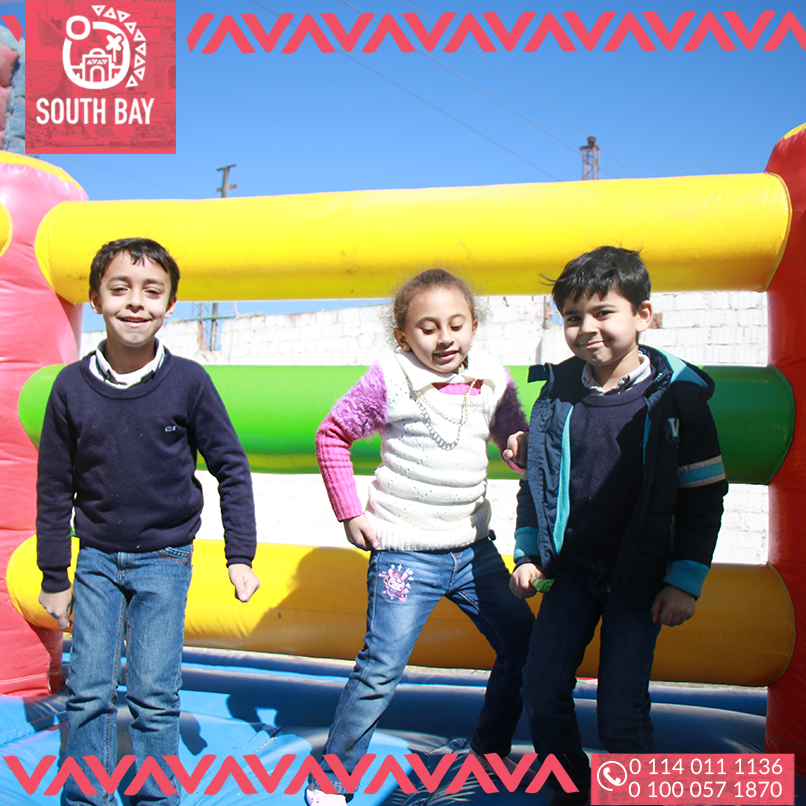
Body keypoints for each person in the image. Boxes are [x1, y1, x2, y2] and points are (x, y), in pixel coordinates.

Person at [36, 237, 261, 806]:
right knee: (88, 690)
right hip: (95, 561)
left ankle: (156, 799)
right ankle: (85, 798)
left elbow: (231, 467)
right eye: (120, 289)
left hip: (165, 559)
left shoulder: (188, 382)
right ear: (95, 300)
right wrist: (54, 575)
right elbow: (54, 485)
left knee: (154, 694)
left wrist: (240, 555)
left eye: (151, 291)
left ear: (169, 305)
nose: (135, 302)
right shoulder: (69, 388)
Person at [307, 268, 535, 805]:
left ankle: (489, 750)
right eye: (428, 328)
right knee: (381, 668)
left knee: (524, 646)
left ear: (473, 326)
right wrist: (349, 511)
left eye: (457, 325)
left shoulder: (491, 379)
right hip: (404, 555)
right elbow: (332, 434)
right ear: (404, 336)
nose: (445, 338)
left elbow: (512, 432)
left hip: (473, 550)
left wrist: (518, 444)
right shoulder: (390, 378)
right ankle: (332, 783)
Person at [509, 246, 728, 805]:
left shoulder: (677, 400)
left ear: (643, 315)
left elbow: (704, 497)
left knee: (621, 714)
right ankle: (570, 790)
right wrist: (528, 553)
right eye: (572, 317)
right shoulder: (557, 395)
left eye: (603, 312)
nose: (586, 328)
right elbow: (536, 485)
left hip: (641, 577)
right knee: (540, 690)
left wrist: (685, 579)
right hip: (572, 572)